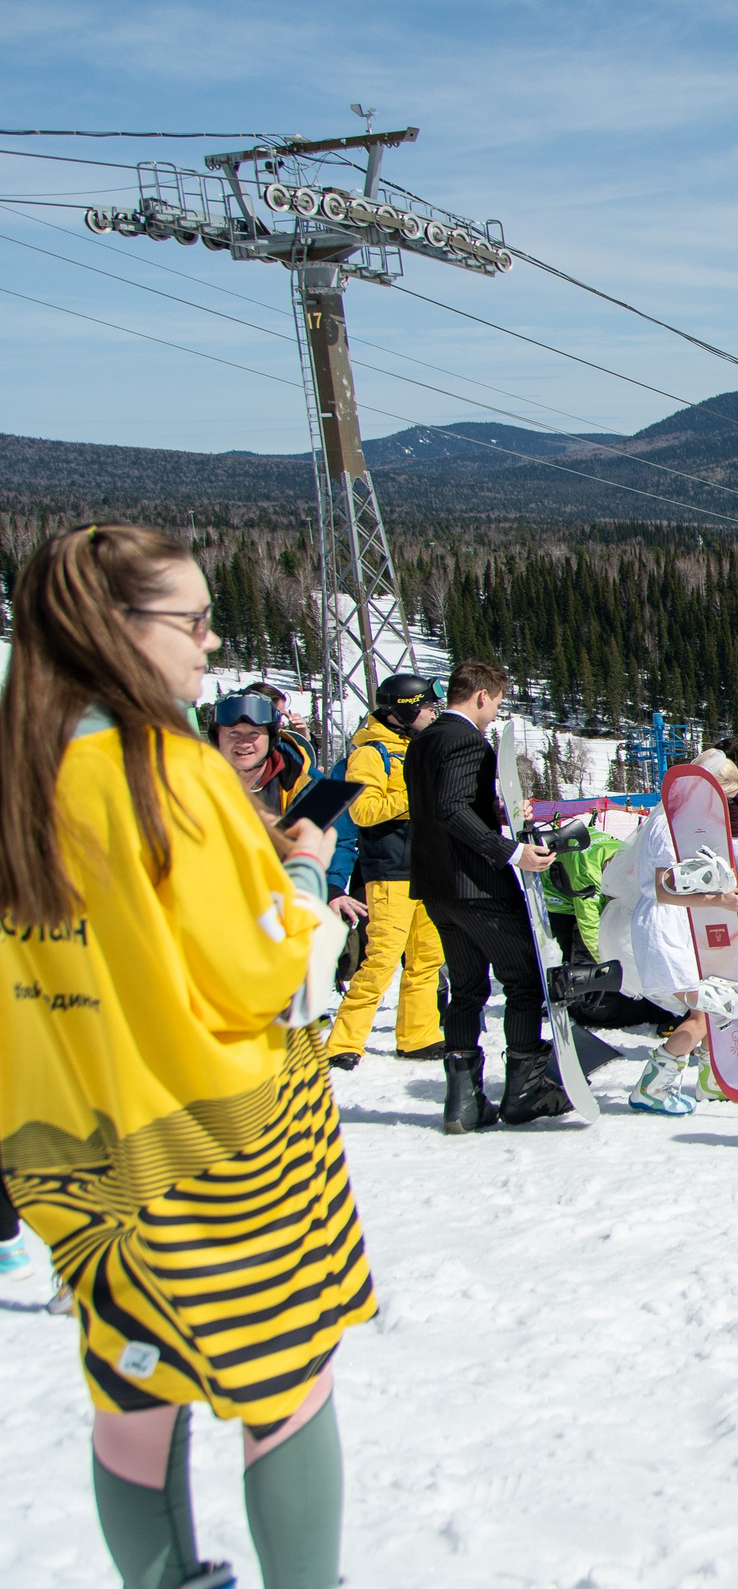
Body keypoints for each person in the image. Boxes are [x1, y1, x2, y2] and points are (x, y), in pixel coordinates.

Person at [1, 523, 371, 1589]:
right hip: (220, 1149)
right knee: (285, 1388)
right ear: (115, 630)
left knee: (131, 1394)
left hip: (65, 1145)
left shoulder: (20, 772)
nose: (210, 645)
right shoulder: (169, 775)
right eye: (193, 622)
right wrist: (301, 878)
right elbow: (268, 975)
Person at [407, 659, 570, 1135]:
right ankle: (523, 1091)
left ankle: (463, 1103)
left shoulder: (422, 741)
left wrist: (499, 808)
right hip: (477, 885)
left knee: (467, 989)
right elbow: (452, 810)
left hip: (437, 888)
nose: (495, 713)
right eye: (496, 703)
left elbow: (443, 805)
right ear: (482, 696)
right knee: (522, 981)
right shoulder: (465, 740)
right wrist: (511, 851)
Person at [624, 752, 738, 1112]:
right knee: (704, 1014)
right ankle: (652, 1087)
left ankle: (708, 1078)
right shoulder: (668, 824)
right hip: (664, 927)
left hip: (675, 924)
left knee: (710, 1009)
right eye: (721, 799)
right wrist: (718, 900)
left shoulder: (674, 820)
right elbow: (663, 888)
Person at [322, 672, 447, 1070]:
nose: (432, 712)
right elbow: (363, 810)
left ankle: (419, 1036)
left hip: (428, 867)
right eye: (427, 706)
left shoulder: (419, 747)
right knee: (380, 959)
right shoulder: (371, 753)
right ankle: (344, 1042)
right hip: (391, 871)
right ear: (404, 709)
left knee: (427, 958)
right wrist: (415, 795)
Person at [212, 689, 296, 818]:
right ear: (217, 738)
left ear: (270, 738)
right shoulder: (190, 784)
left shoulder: (299, 785)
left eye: (254, 734)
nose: (244, 743)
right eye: (233, 733)